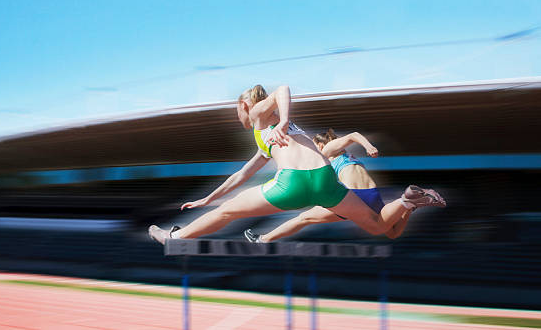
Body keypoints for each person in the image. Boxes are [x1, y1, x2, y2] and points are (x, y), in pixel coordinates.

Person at [148, 85, 445, 245]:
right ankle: (407, 202)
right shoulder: (269, 141)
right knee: (379, 227)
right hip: (326, 182)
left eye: (237, 110)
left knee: (228, 212)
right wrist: (207, 198)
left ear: (244, 106)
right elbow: (242, 173)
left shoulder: (260, 118)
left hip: (293, 183)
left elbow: (282, 89)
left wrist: (285, 118)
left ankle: (174, 237)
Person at [244, 129, 414, 243]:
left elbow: (353, 135)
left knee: (303, 218)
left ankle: (263, 239)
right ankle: (408, 206)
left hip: (354, 197)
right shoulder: (347, 156)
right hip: (372, 195)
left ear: (319, 144)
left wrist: (369, 146)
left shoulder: (327, 150)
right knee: (391, 233)